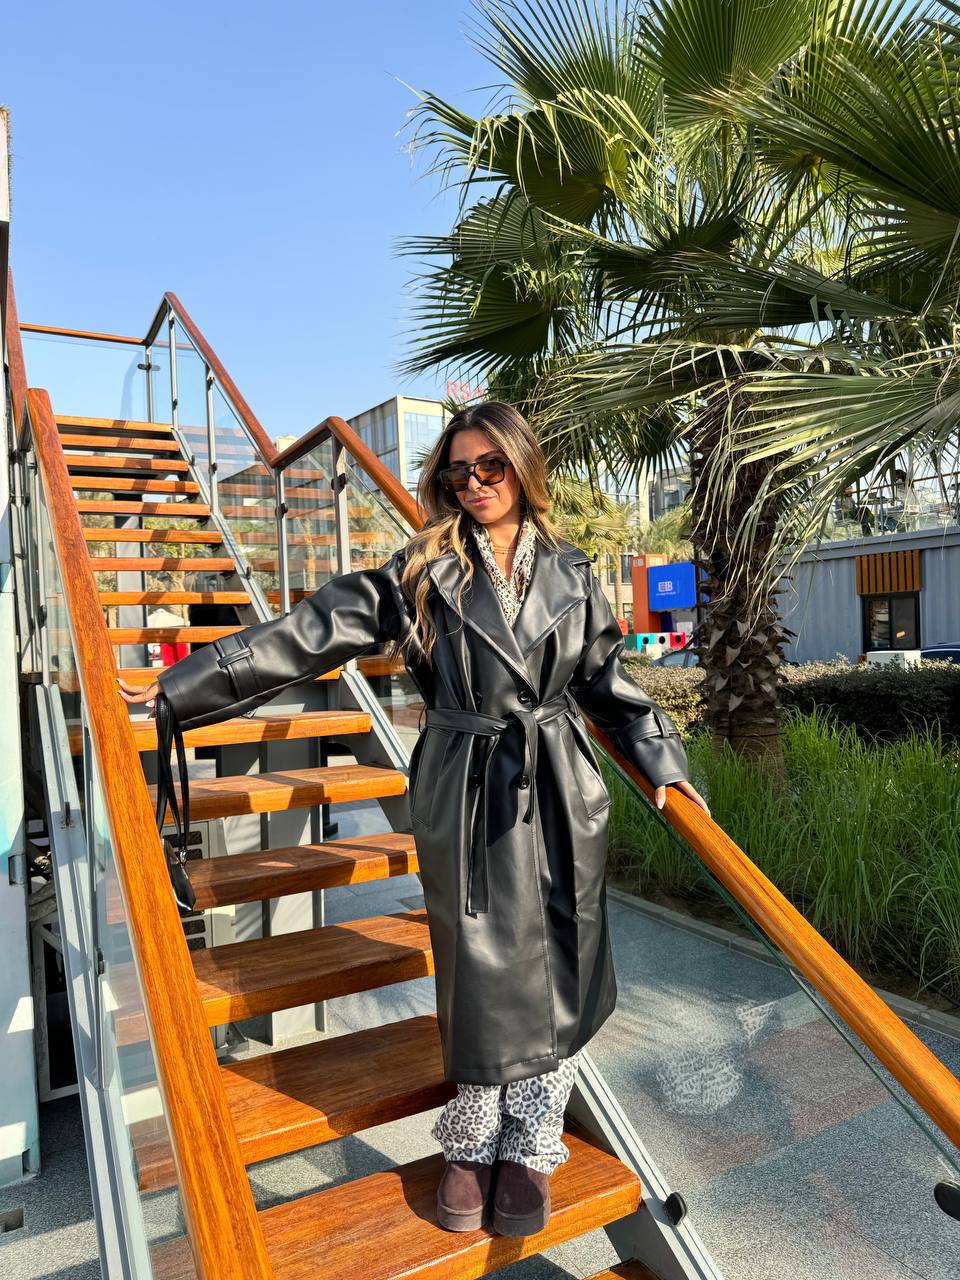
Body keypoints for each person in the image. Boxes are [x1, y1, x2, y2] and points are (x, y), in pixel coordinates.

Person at [118, 401, 710, 1238]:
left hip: (557, 784)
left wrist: (664, 764)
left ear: (521, 467)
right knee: (475, 963)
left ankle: (533, 1138)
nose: (474, 484)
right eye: (458, 470)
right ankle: (472, 1135)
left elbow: (609, 684)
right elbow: (310, 631)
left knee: (564, 960)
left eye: (490, 466)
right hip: (465, 782)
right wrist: (185, 683)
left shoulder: (573, 572)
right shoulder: (423, 569)